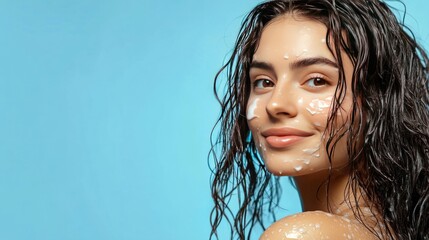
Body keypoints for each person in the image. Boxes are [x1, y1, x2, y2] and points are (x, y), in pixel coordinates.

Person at [209, 0, 429, 239]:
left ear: (377, 100)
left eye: (316, 80)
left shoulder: (301, 235)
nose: (275, 104)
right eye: (264, 82)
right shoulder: (388, 231)